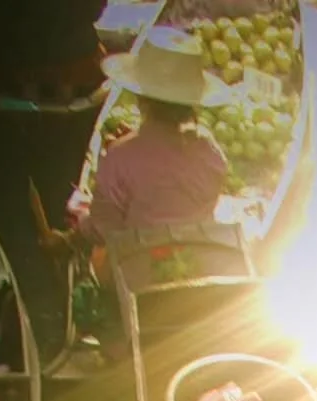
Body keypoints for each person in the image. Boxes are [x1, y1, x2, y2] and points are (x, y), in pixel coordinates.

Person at [68, 28, 229, 243]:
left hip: (139, 264)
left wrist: (81, 221)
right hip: (197, 254)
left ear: (141, 97)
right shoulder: (209, 151)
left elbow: (103, 230)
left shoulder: (119, 159)